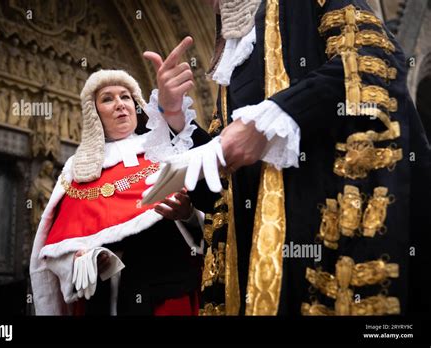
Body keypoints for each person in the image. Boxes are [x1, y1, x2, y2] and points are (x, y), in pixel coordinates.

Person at [144, 0, 431, 316]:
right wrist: (174, 116)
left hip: (314, 247)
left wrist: (273, 120)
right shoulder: (234, 69)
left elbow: (375, 61)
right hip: (249, 276)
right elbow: (220, 195)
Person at [30, 68, 211, 315]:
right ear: (94, 113)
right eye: (107, 98)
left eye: (125, 97)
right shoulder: (79, 169)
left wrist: (188, 215)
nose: (120, 105)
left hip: (167, 293)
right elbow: (57, 246)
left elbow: (214, 213)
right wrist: (84, 261)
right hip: (106, 302)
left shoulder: (167, 150)